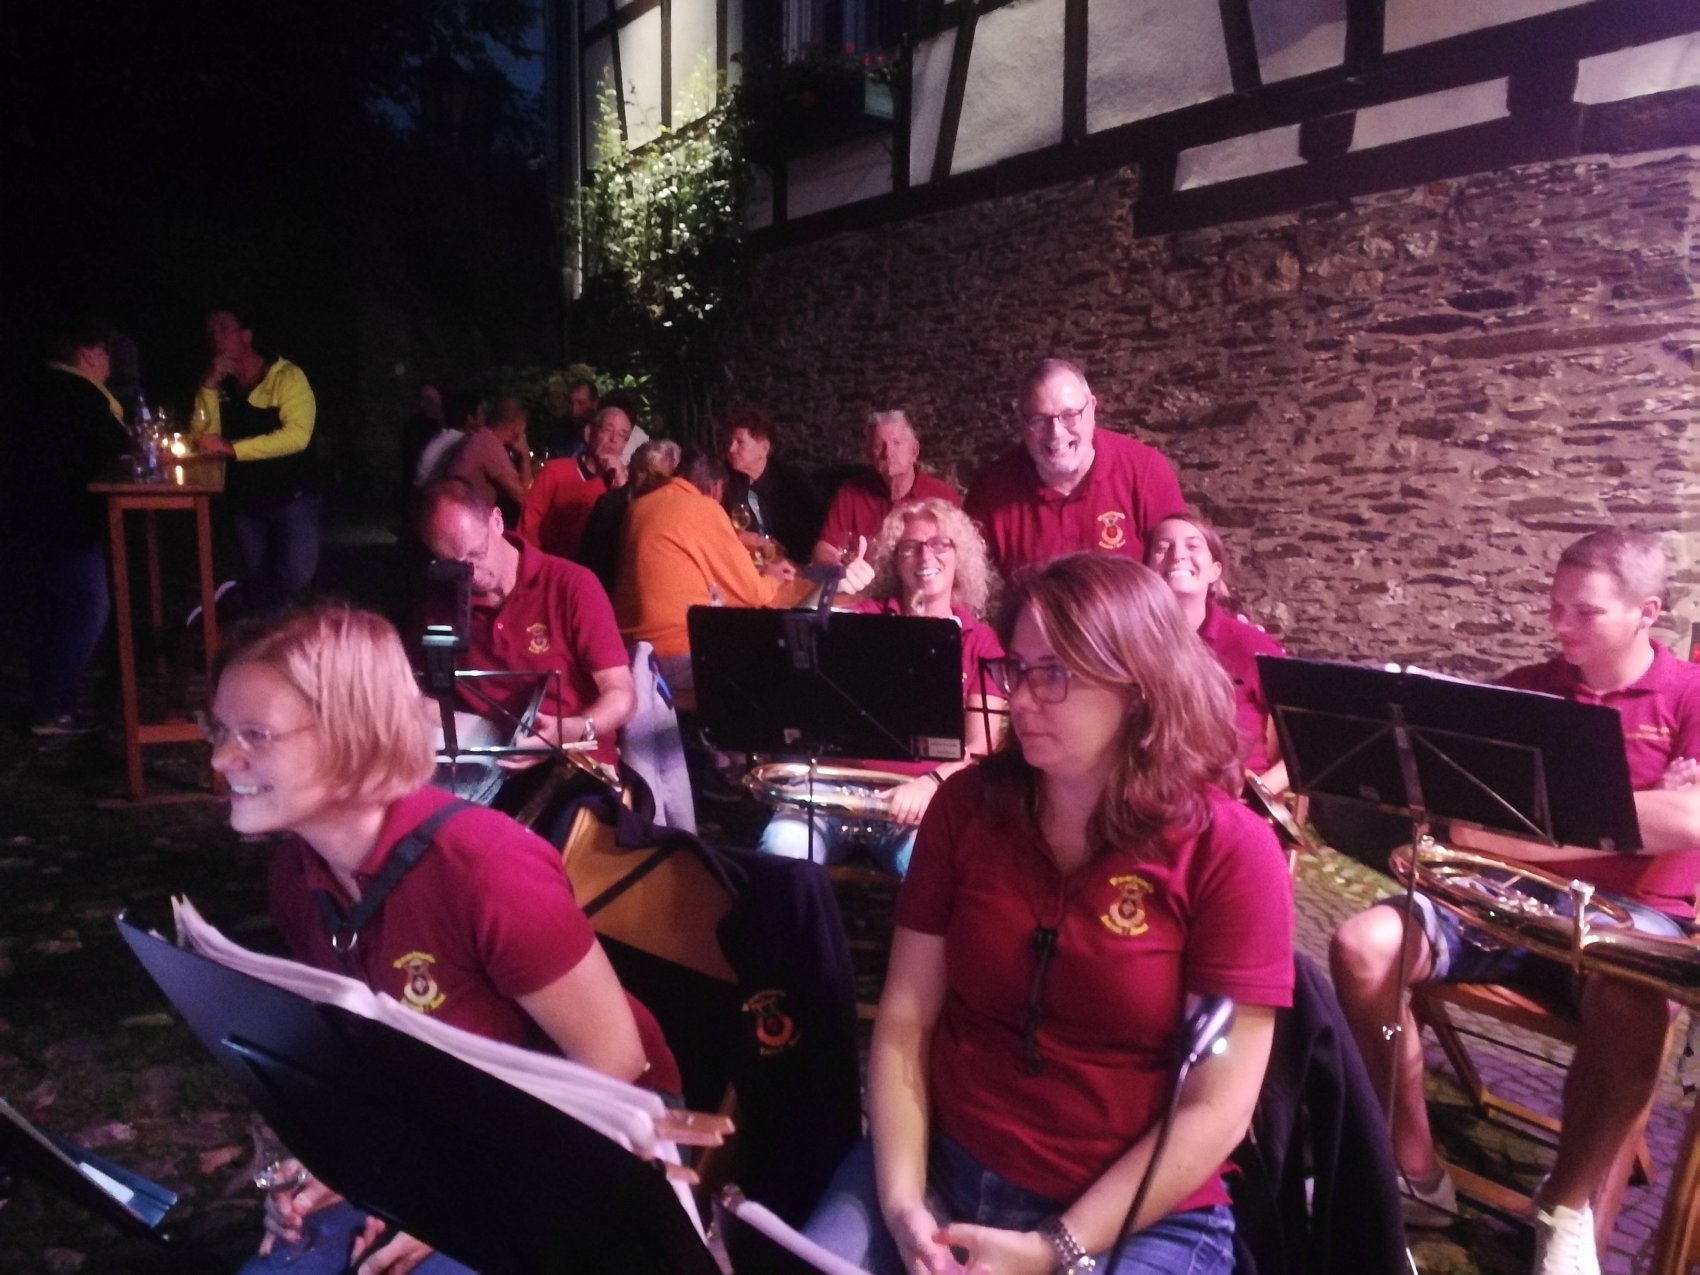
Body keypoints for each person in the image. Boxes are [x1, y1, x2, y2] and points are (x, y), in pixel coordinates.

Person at [805, 553, 1294, 1275]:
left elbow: (1217, 1108)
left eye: (1054, 674)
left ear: (1140, 686)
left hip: (1139, 1213)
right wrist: (904, 1204)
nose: (1021, 700)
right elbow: (907, 1019)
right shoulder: (967, 807)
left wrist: (1051, 1248)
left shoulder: (1231, 850)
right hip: (942, 1164)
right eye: (1017, 669)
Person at [209, 604, 678, 1275]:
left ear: (354, 732)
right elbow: (375, 1058)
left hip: (584, 1150)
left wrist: (462, 1199)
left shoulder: (483, 865)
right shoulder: (298, 873)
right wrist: (345, 1165)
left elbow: (616, 1065)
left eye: (255, 734)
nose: (221, 759)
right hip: (450, 1131)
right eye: (220, 730)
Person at [1329, 528, 1700, 1275]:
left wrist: (1525, 831)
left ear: (1646, 612)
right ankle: (1415, 1167)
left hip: (1631, 919)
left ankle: (1563, 1204)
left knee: (1636, 1005)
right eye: (1555, 605)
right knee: (1361, 947)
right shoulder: (1525, 688)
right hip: (1498, 900)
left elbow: (1691, 822)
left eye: (1585, 611)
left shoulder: (1689, 694)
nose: (1560, 625)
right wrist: (1634, 816)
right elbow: (1462, 825)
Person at [760, 498, 1005, 877]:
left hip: (918, 800)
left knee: (940, 876)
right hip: (833, 791)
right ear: (895, 560)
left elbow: (982, 746)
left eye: (940, 544)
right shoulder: (866, 617)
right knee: (781, 852)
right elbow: (794, 642)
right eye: (910, 547)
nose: (926, 556)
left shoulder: (980, 640)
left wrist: (930, 785)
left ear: (960, 556)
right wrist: (831, 586)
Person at [416, 481, 635, 773]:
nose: (472, 575)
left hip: (574, 764)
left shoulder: (570, 585)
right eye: (454, 566)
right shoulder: (440, 603)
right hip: (490, 763)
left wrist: (577, 727)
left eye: (477, 554)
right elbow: (421, 694)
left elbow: (622, 694)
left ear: (496, 521)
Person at [17, 315, 133, 735]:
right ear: (87, 353)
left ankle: (51, 702)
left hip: (36, 514)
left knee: (58, 611)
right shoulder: (78, 392)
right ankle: (51, 709)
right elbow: (119, 444)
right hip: (64, 519)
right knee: (88, 607)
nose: (109, 359)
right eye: (104, 350)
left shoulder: (42, 386)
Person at [964, 358, 1186, 575]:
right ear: (1022, 422)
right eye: (1039, 420)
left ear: (1091, 409)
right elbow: (963, 579)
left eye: (1069, 415)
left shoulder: (1146, 470)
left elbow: (1181, 568)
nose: (1056, 433)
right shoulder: (990, 489)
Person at [615, 451, 808, 695]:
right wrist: (773, 577)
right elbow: (753, 594)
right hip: (677, 654)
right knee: (782, 666)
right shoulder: (704, 507)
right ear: (717, 488)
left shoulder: (638, 507)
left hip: (630, 655)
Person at [1145, 512, 1288, 793]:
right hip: (1155, 803)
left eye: (1193, 546)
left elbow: (1308, 740)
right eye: (1162, 547)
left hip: (1236, 805)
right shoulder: (1131, 644)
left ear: (1215, 570)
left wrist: (1258, 796)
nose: (1178, 555)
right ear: (1147, 570)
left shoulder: (1250, 645)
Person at [191, 307, 321, 616]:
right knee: (265, 584)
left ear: (246, 336)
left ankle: (232, 599)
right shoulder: (218, 385)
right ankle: (272, 640)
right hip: (245, 499)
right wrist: (208, 385)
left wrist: (233, 448)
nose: (215, 337)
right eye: (211, 331)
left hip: (291, 495)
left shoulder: (286, 377)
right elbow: (202, 437)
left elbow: (297, 436)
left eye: (223, 328)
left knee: (297, 572)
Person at [811, 411, 960, 568]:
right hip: (864, 583)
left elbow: (962, 557)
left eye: (897, 443)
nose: (887, 453)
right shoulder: (849, 494)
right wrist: (843, 569)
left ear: (914, 451)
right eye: (878, 445)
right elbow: (824, 548)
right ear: (869, 455)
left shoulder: (944, 497)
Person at [519, 400, 634, 560]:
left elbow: (631, 535)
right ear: (589, 433)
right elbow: (529, 524)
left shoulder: (620, 485)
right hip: (548, 564)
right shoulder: (556, 471)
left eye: (622, 435)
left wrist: (621, 483)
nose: (614, 439)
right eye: (608, 430)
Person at [577, 439, 681, 597]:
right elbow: (589, 560)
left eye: (658, 477)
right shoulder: (609, 505)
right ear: (631, 470)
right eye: (643, 472)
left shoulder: (672, 512)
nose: (648, 481)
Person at [722, 407, 821, 565]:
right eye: (730, 442)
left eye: (740, 442)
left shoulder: (791, 482)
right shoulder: (724, 481)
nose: (731, 449)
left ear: (764, 448)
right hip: (744, 564)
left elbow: (814, 533)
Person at [442, 394, 532, 526]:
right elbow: (523, 497)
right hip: (460, 522)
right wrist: (525, 455)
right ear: (517, 426)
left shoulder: (480, 436)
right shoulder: (489, 444)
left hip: (453, 514)